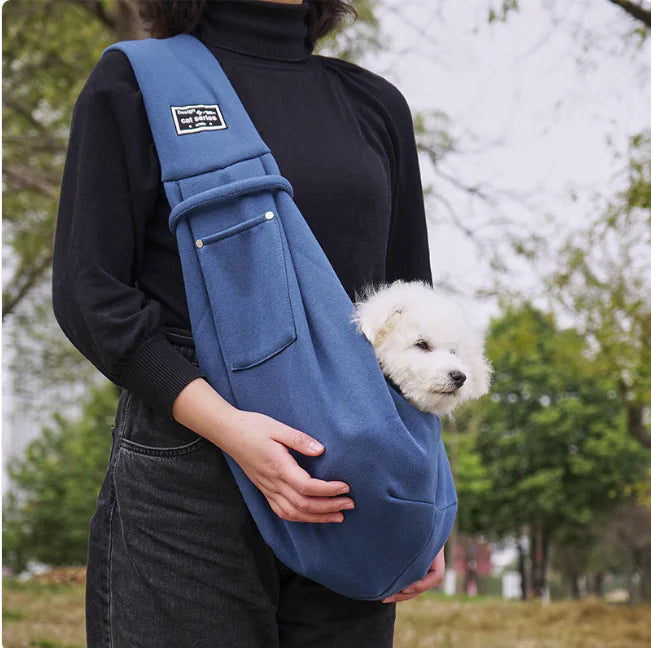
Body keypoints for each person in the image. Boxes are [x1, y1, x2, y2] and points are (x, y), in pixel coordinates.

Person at [51, 1, 445, 646]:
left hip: (351, 465)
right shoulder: (137, 80)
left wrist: (424, 491)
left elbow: (414, 308)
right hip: (189, 462)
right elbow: (88, 291)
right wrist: (230, 429)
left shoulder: (374, 104)